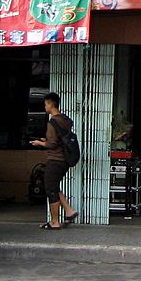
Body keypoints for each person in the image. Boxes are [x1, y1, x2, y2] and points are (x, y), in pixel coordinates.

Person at [29, 92, 78, 229]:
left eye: (45, 104)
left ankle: (55, 221)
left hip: (55, 160)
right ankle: (69, 211)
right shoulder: (66, 120)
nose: (45, 107)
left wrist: (40, 143)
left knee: (50, 189)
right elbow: (60, 139)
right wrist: (47, 140)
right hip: (65, 160)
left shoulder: (52, 122)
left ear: (51, 104)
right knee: (54, 186)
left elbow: (52, 144)